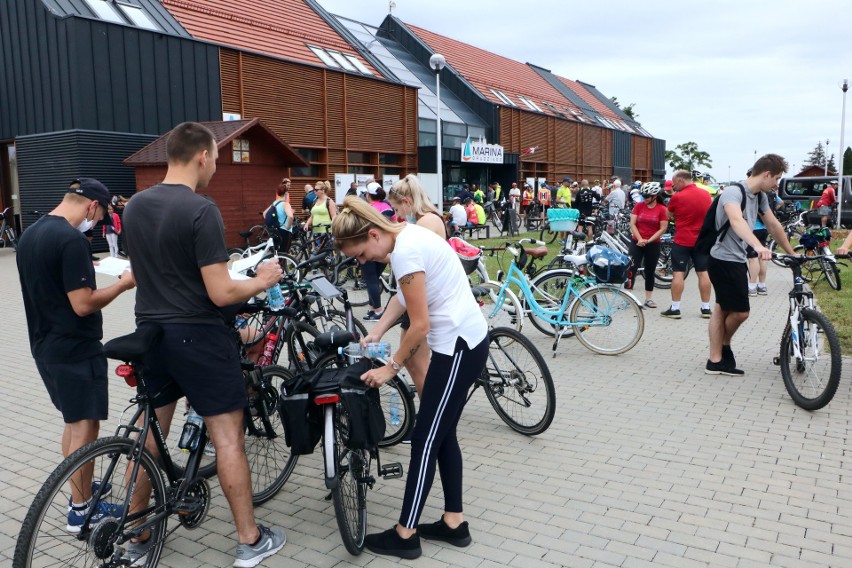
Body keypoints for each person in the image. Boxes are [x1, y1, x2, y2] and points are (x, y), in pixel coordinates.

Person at [122, 122, 286, 566]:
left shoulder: (135, 206)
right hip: (197, 335)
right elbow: (219, 293)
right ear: (200, 156)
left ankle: (136, 533)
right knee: (228, 437)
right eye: (216, 157)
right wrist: (260, 279)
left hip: (150, 333)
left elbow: (156, 269)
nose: (216, 165)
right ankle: (250, 541)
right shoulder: (201, 209)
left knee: (149, 437)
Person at [331, 196, 488, 560]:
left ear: (372, 234)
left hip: (458, 348)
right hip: (464, 344)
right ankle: (454, 523)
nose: (362, 263)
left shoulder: (405, 252)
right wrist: (378, 331)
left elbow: (420, 326)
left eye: (360, 255)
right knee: (442, 433)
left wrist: (392, 367)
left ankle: (406, 534)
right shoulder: (408, 237)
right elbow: (404, 297)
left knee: (424, 438)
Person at [17, 177, 135, 532]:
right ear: (91, 206)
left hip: (45, 345)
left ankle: (79, 485)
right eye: (98, 219)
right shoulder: (70, 240)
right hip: (75, 348)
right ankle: (81, 509)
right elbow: (83, 303)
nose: (96, 225)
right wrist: (123, 284)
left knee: (73, 421)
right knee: (85, 426)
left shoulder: (31, 233)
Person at [705, 154, 795, 376]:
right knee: (741, 312)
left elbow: (772, 223)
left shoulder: (760, 196)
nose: (776, 184)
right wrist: (758, 246)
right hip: (722, 259)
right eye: (776, 179)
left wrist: (792, 252)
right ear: (766, 174)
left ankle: (715, 359)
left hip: (736, 259)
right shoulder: (733, 192)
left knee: (723, 307)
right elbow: (737, 221)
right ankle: (723, 348)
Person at [386, 174, 448, 404]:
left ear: (407, 202)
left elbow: (417, 260)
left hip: (424, 298)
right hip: (421, 296)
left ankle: (430, 417)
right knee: (415, 363)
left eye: (397, 209)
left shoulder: (425, 223)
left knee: (417, 365)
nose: (397, 215)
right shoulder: (427, 219)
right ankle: (431, 412)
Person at [661, 170, 713, 319]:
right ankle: (706, 308)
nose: (674, 186)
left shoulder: (677, 197)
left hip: (682, 240)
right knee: (703, 273)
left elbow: (668, 215)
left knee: (678, 273)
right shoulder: (705, 195)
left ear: (681, 181)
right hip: (701, 241)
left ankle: (675, 308)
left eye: (675, 183)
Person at [626, 182, 668, 308]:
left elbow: (663, 229)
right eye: (643, 196)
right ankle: (628, 297)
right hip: (637, 241)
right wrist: (639, 239)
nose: (645, 198)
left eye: (647, 196)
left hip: (653, 243)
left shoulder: (662, 209)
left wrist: (648, 240)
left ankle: (648, 299)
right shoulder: (639, 206)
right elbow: (632, 223)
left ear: (655, 196)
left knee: (649, 271)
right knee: (631, 268)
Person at [362, 182, 396, 321]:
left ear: (368, 195)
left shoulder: (366, 209)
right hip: (387, 247)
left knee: (371, 279)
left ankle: (378, 311)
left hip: (369, 247)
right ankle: (371, 308)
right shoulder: (388, 207)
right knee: (375, 278)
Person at [263, 178, 295, 252]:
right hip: (285, 231)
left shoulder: (275, 203)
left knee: (278, 253)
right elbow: (290, 216)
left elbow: (265, 214)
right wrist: (288, 226)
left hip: (276, 231)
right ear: (286, 194)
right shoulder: (285, 204)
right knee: (284, 253)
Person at [302, 180, 337, 245]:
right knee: (318, 252)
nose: (314, 191)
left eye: (316, 190)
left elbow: (334, 216)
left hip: (326, 232)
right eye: (314, 189)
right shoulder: (315, 201)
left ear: (322, 191)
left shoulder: (329, 201)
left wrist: (331, 225)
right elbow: (312, 216)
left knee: (326, 252)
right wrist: (307, 224)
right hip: (316, 231)